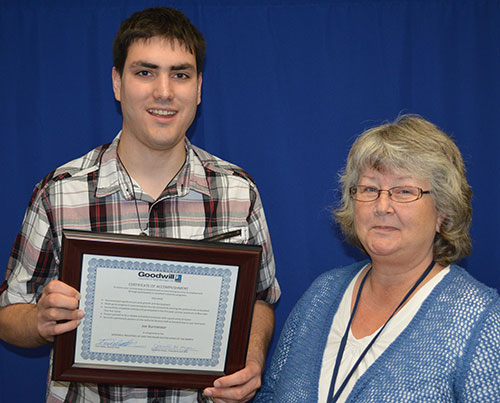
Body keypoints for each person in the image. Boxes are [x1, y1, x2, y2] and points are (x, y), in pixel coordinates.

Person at [0, 7, 280, 403]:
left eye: (180, 74)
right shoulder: (59, 192)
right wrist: (40, 320)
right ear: (117, 82)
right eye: (145, 72)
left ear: (199, 88)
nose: (164, 91)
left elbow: (260, 300)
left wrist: (251, 360)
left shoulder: (238, 192)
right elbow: (9, 313)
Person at [255, 115, 500, 402]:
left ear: (443, 211)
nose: (382, 206)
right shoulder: (322, 293)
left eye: (404, 191)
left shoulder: (480, 320)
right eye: (370, 189)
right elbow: (270, 395)